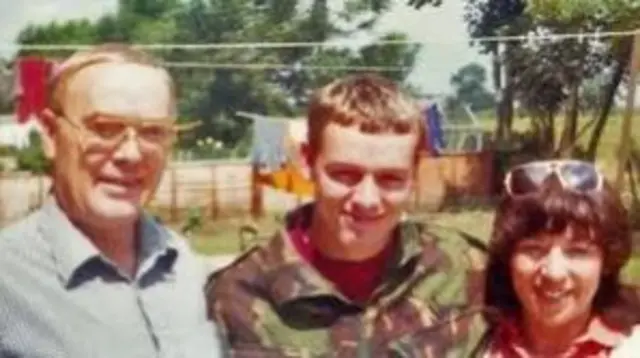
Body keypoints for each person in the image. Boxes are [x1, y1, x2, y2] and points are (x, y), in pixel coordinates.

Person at [206, 73, 488, 357]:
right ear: (307, 162)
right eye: (345, 175)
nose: (367, 199)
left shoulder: (465, 268)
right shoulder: (235, 294)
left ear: (414, 174)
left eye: (390, 178)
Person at [0, 44, 222, 357]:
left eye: (153, 132)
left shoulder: (191, 271)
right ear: (51, 134)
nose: (131, 154)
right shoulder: (8, 283)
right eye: (104, 129)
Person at [481, 159, 635, 357]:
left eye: (577, 252)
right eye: (534, 249)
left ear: (606, 262)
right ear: (508, 258)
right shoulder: (470, 346)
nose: (554, 273)